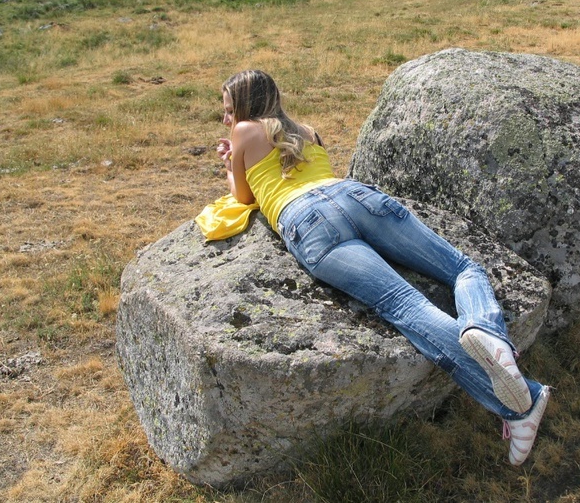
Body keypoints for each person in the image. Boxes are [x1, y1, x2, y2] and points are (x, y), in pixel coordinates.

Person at [215, 69, 550, 466]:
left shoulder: (243, 132)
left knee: (405, 306)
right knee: (463, 269)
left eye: (229, 110)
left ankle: (519, 402)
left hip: (306, 221)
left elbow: (243, 196)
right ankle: (486, 331)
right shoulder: (308, 131)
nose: (226, 118)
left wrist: (231, 162)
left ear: (246, 106)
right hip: (352, 195)